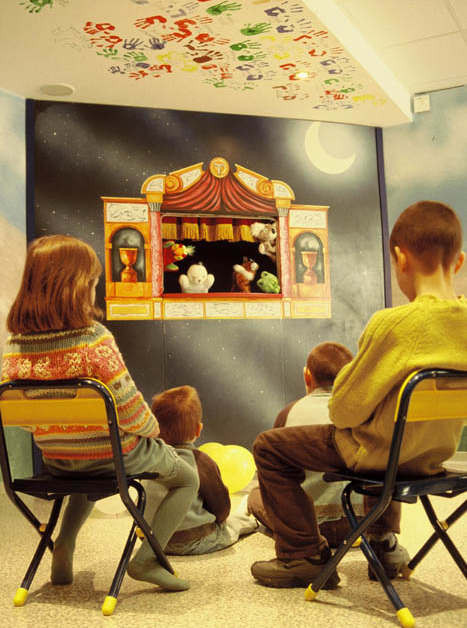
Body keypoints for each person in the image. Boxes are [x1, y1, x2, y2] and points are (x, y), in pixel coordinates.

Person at [250, 200, 467, 589]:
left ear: (401, 258)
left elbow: (344, 411)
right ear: (459, 261)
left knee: (269, 447)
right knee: (389, 433)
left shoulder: (394, 324)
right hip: (434, 456)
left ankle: (302, 555)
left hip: (379, 456)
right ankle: (382, 544)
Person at [1, 235, 199, 592]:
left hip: (59, 461)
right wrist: (153, 430)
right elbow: (131, 412)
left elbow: (20, 416)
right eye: (92, 283)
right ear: (76, 287)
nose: (95, 291)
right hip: (115, 457)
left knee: (84, 476)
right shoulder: (94, 339)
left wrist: (61, 430)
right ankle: (147, 561)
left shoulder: (14, 346)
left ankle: (63, 544)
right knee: (187, 479)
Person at [247, 341, 364, 548]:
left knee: (255, 496)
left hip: (310, 527)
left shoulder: (289, 413)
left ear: (307, 376)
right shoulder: (362, 413)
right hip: (362, 524)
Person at [150, 385, 258, 555]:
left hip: (152, 541)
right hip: (193, 540)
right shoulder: (200, 461)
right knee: (233, 524)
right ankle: (250, 519)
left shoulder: (149, 458)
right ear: (198, 429)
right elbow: (221, 509)